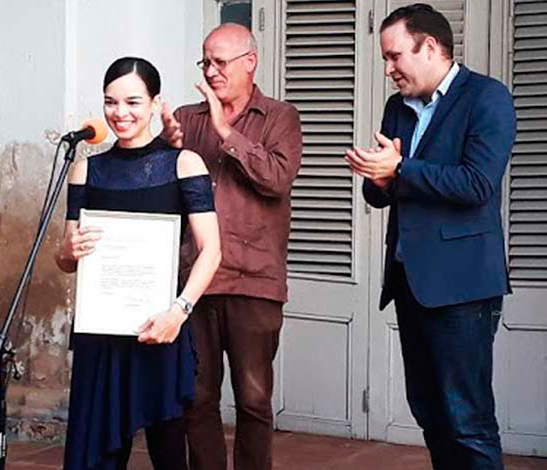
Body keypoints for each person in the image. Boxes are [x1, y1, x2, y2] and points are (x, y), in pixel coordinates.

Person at [344, 4, 516, 469]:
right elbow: (383, 193)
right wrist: (379, 179)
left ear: (432, 47)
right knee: (430, 412)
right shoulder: (396, 108)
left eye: (395, 56)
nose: (388, 69)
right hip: (408, 283)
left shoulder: (487, 97)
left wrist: (400, 169)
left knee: (468, 419)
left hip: (462, 288)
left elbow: (478, 184)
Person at [55, 57, 221, 470]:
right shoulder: (85, 169)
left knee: (168, 450)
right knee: (96, 454)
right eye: (111, 102)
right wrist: (69, 250)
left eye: (132, 101)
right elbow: (65, 258)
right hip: (103, 331)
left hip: (160, 327)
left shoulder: (183, 164)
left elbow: (212, 251)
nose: (120, 113)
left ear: (154, 103)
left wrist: (178, 312)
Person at [161, 23, 302, 470]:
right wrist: (163, 149)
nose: (211, 71)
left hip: (254, 281)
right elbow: (163, 188)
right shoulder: (185, 119)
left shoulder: (280, 117)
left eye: (220, 62)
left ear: (250, 62)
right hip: (196, 281)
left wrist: (225, 130)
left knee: (254, 400)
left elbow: (276, 179)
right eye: (205, 62)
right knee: (197, 399)